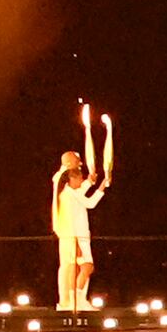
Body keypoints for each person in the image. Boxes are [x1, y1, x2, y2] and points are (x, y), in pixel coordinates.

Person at [52, 103, 116, 312]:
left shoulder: (69, 190)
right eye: (78, 166)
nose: (81, 167)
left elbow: (83, 197)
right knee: (80, 267)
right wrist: (99, 185)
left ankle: (77, 299)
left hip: (79, 234)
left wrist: (95, 183)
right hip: (73, 235)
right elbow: (87, 200)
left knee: (82, 267)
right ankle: (72, 300)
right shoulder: (63, 187)